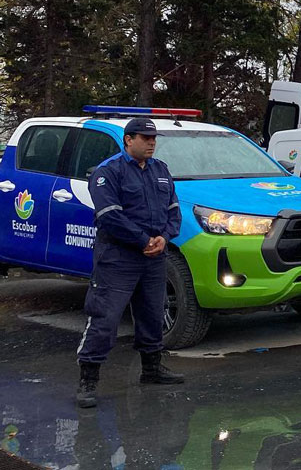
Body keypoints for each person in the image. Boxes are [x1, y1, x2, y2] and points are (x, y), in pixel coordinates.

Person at [76, 117, 184, 409]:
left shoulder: (160, 170)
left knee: (153, 312)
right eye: (145, 138)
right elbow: (109, 215)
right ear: (128, 140)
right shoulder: (108, 172)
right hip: (118, 257)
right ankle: (88, 380)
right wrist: (142, 240)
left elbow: (174, 210)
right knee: (105, 317)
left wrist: (163, 237)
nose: (151, 143)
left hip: (153, 257)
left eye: (153, 138)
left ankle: (151, 369)